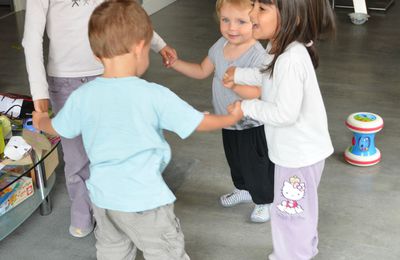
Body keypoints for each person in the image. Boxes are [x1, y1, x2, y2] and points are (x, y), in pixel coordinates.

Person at [32, 1, 243, 259]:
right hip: (146, 204)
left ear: (97, 55)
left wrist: (41, 118)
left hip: (103, 201)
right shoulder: (153, 95)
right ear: (141, 48)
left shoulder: (82, 97)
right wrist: (228, 119)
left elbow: (57, 127)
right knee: (164, 252)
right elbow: (197, 122)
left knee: (113, 251)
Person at [22, 0, 177, 238]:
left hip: (109, 74)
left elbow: (126, 15)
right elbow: (31, 39)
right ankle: (83, 213)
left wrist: (158, 44)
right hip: (64, 82)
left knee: (115, 149)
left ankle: (118, 213)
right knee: (76, 157)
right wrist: (39, 94)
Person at [223, 0, 336, 258]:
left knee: (289, 214)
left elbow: (284, 114)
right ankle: (303, 249)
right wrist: (239, 74)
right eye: (253, 5)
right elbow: (267, 76)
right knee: (297, 210)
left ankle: (292, 255)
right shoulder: (280, 47)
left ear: (291, 18)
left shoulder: (290, 59)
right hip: (296, 152)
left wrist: (246, 107)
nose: (251, 13)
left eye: (261, 9)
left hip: (298, 156)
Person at [170, 0, 274, 223]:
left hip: (250, 123)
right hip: (227, 120)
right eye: (226, 20)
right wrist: (176, 63)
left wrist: (235, 84)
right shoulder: (220, 46)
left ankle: (265, 200)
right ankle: (243, 189)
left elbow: (259, 92)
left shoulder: (258, 54)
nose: (231, 28)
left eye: (241, 21)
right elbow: (201, 70)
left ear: (255, 21)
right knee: (235, 160)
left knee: (255, 163)